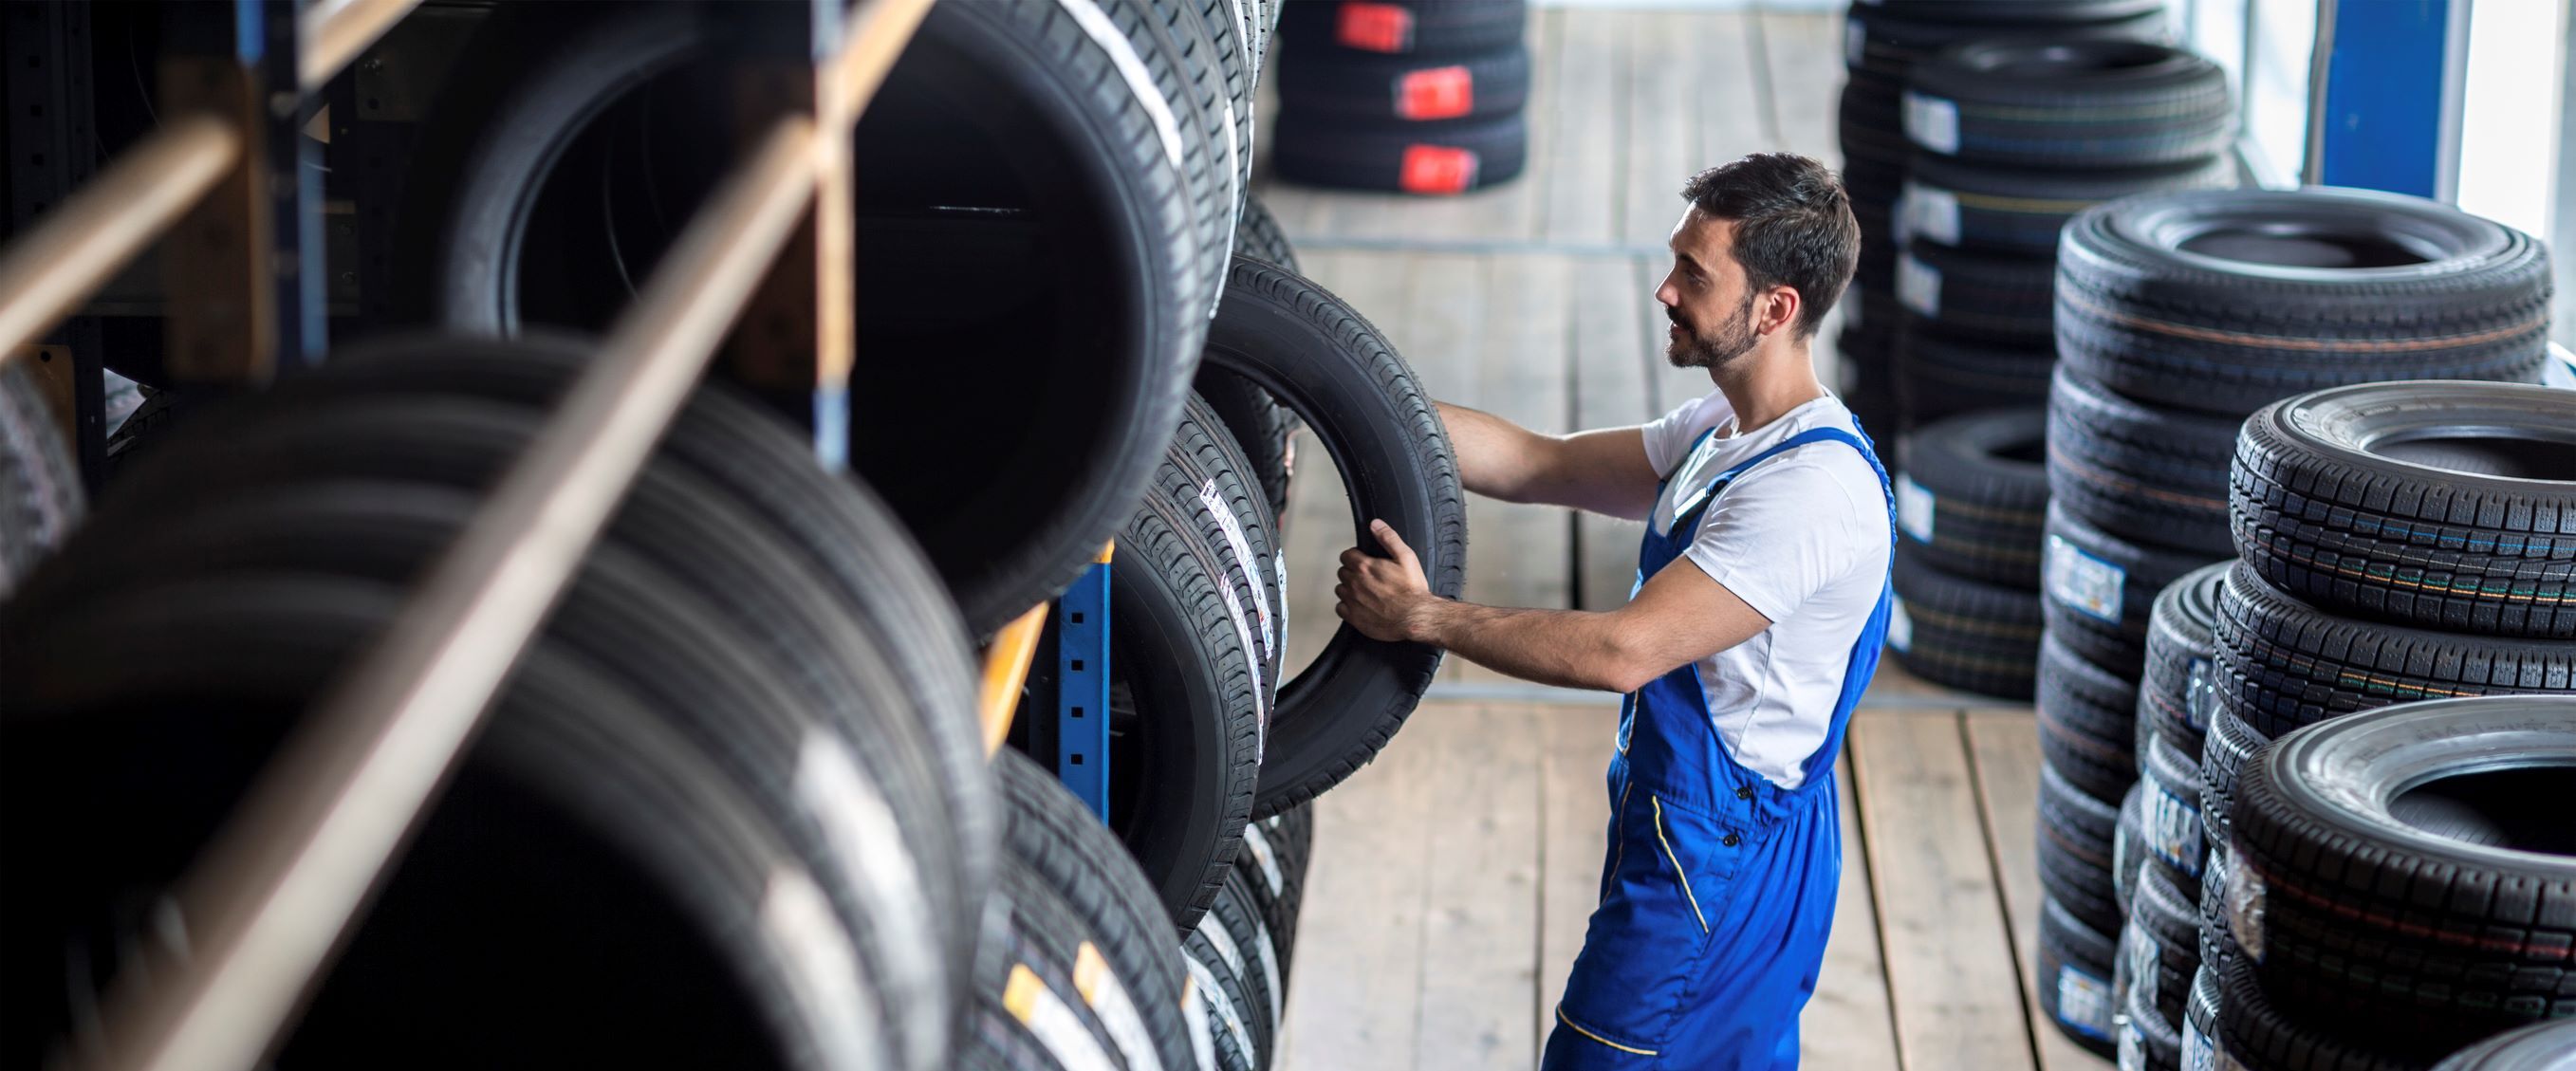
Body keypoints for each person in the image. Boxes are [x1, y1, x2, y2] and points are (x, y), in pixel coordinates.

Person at [1334, 152, 1891, 1070]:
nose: (1666, 292)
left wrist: (1426, 617)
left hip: (1725, 858)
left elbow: (1623, 652)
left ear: (1775, 308)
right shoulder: (1723, 433)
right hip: (1694, 829)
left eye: (1696, 276)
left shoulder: (1808, 490)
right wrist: (1334, 393)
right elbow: (1535, 462)